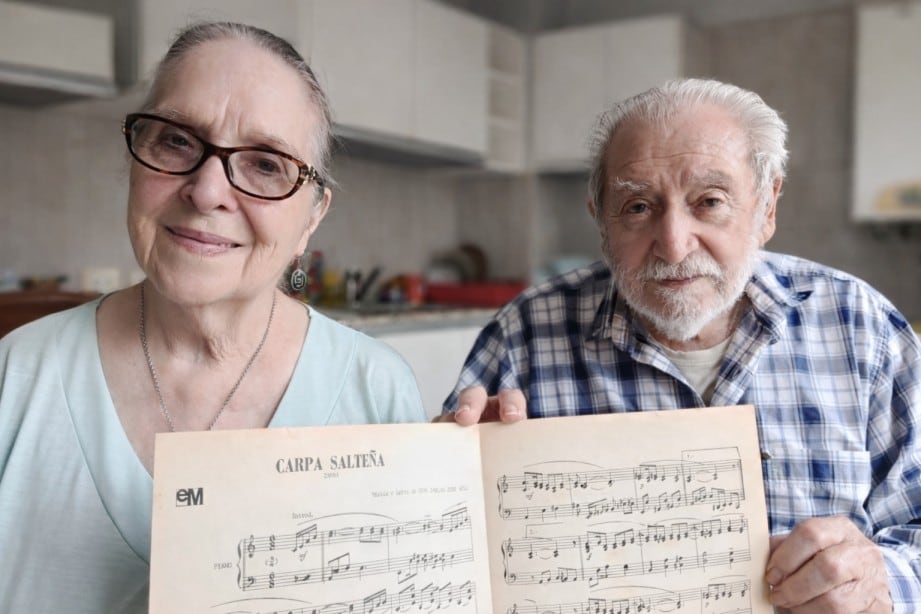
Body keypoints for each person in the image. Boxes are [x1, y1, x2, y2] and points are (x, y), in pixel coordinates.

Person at [440, 78, 921, 612]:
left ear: (766, 207)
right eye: (637, 207)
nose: (672, 245)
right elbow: (449, 564)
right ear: (600, 218)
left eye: (709, 201)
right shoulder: (523, 335)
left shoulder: (862, 326)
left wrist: (883, 581)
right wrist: (450, 484)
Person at [0, 22, 424, 613]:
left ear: (312, 217)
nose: (206, 192)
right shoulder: (16, 376)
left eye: (266, 164)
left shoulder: (376, 390)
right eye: (176, 141)